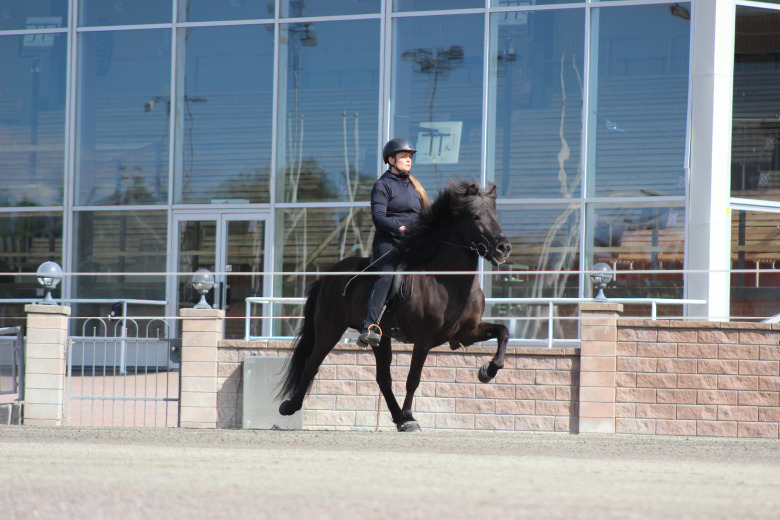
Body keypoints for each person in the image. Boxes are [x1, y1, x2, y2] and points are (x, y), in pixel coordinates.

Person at [357, 138, 429, 348]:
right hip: (389, 242)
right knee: (387, 274)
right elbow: (378, 217)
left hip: (413, 243)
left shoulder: (415, 187)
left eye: (410, 157)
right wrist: (400, 228)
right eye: (404, 156)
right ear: (391, 160)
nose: (409, 160)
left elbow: (424, 216)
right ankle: (369, 326)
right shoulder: (382, 185)